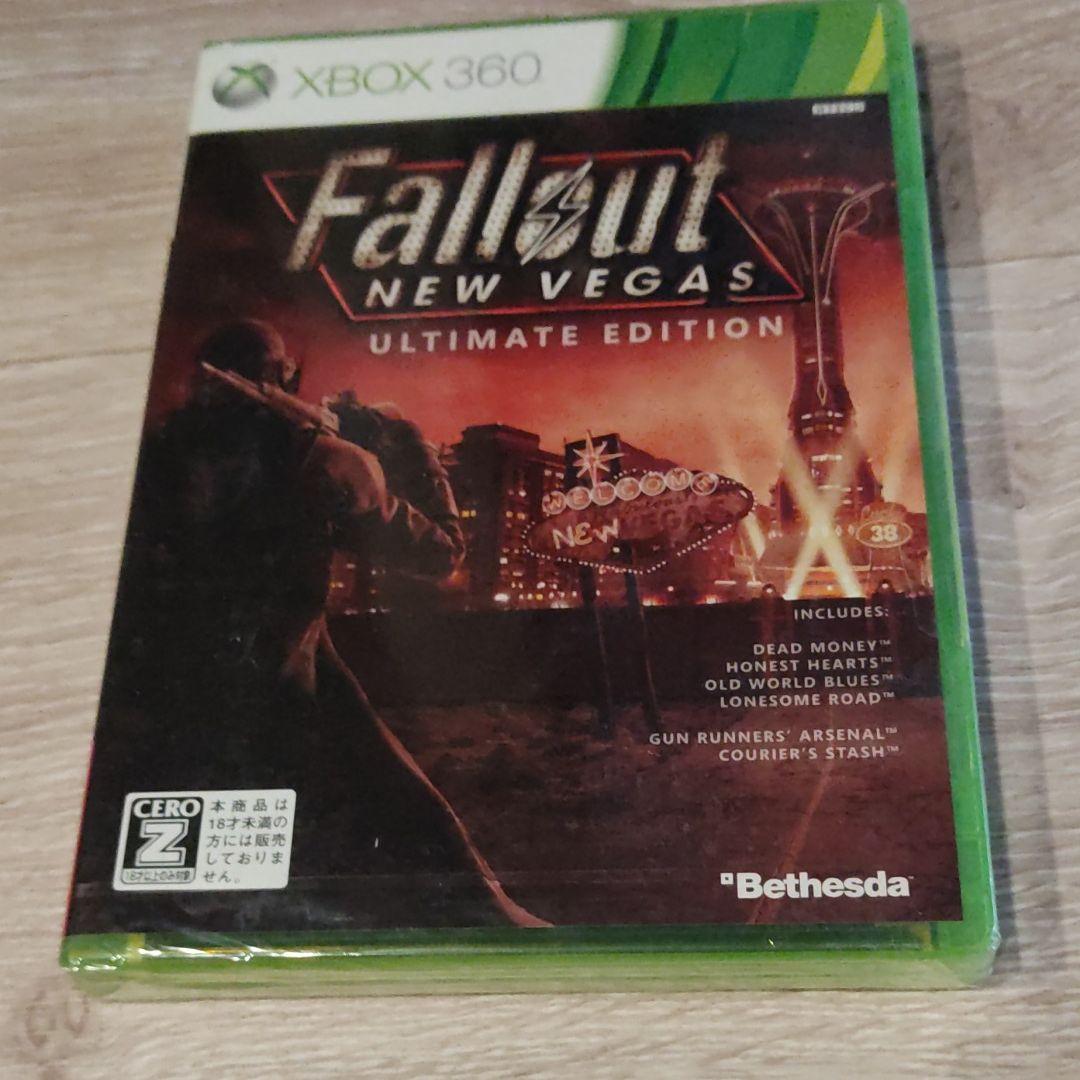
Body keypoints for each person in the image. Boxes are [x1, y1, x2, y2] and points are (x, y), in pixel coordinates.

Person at [77, 320, 545, 930]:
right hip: (282, 685)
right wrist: (405, 444)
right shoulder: (319, 460)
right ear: (281, 376)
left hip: (172, 689)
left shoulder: (159, 452)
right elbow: (439, 553)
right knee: (403, 830)